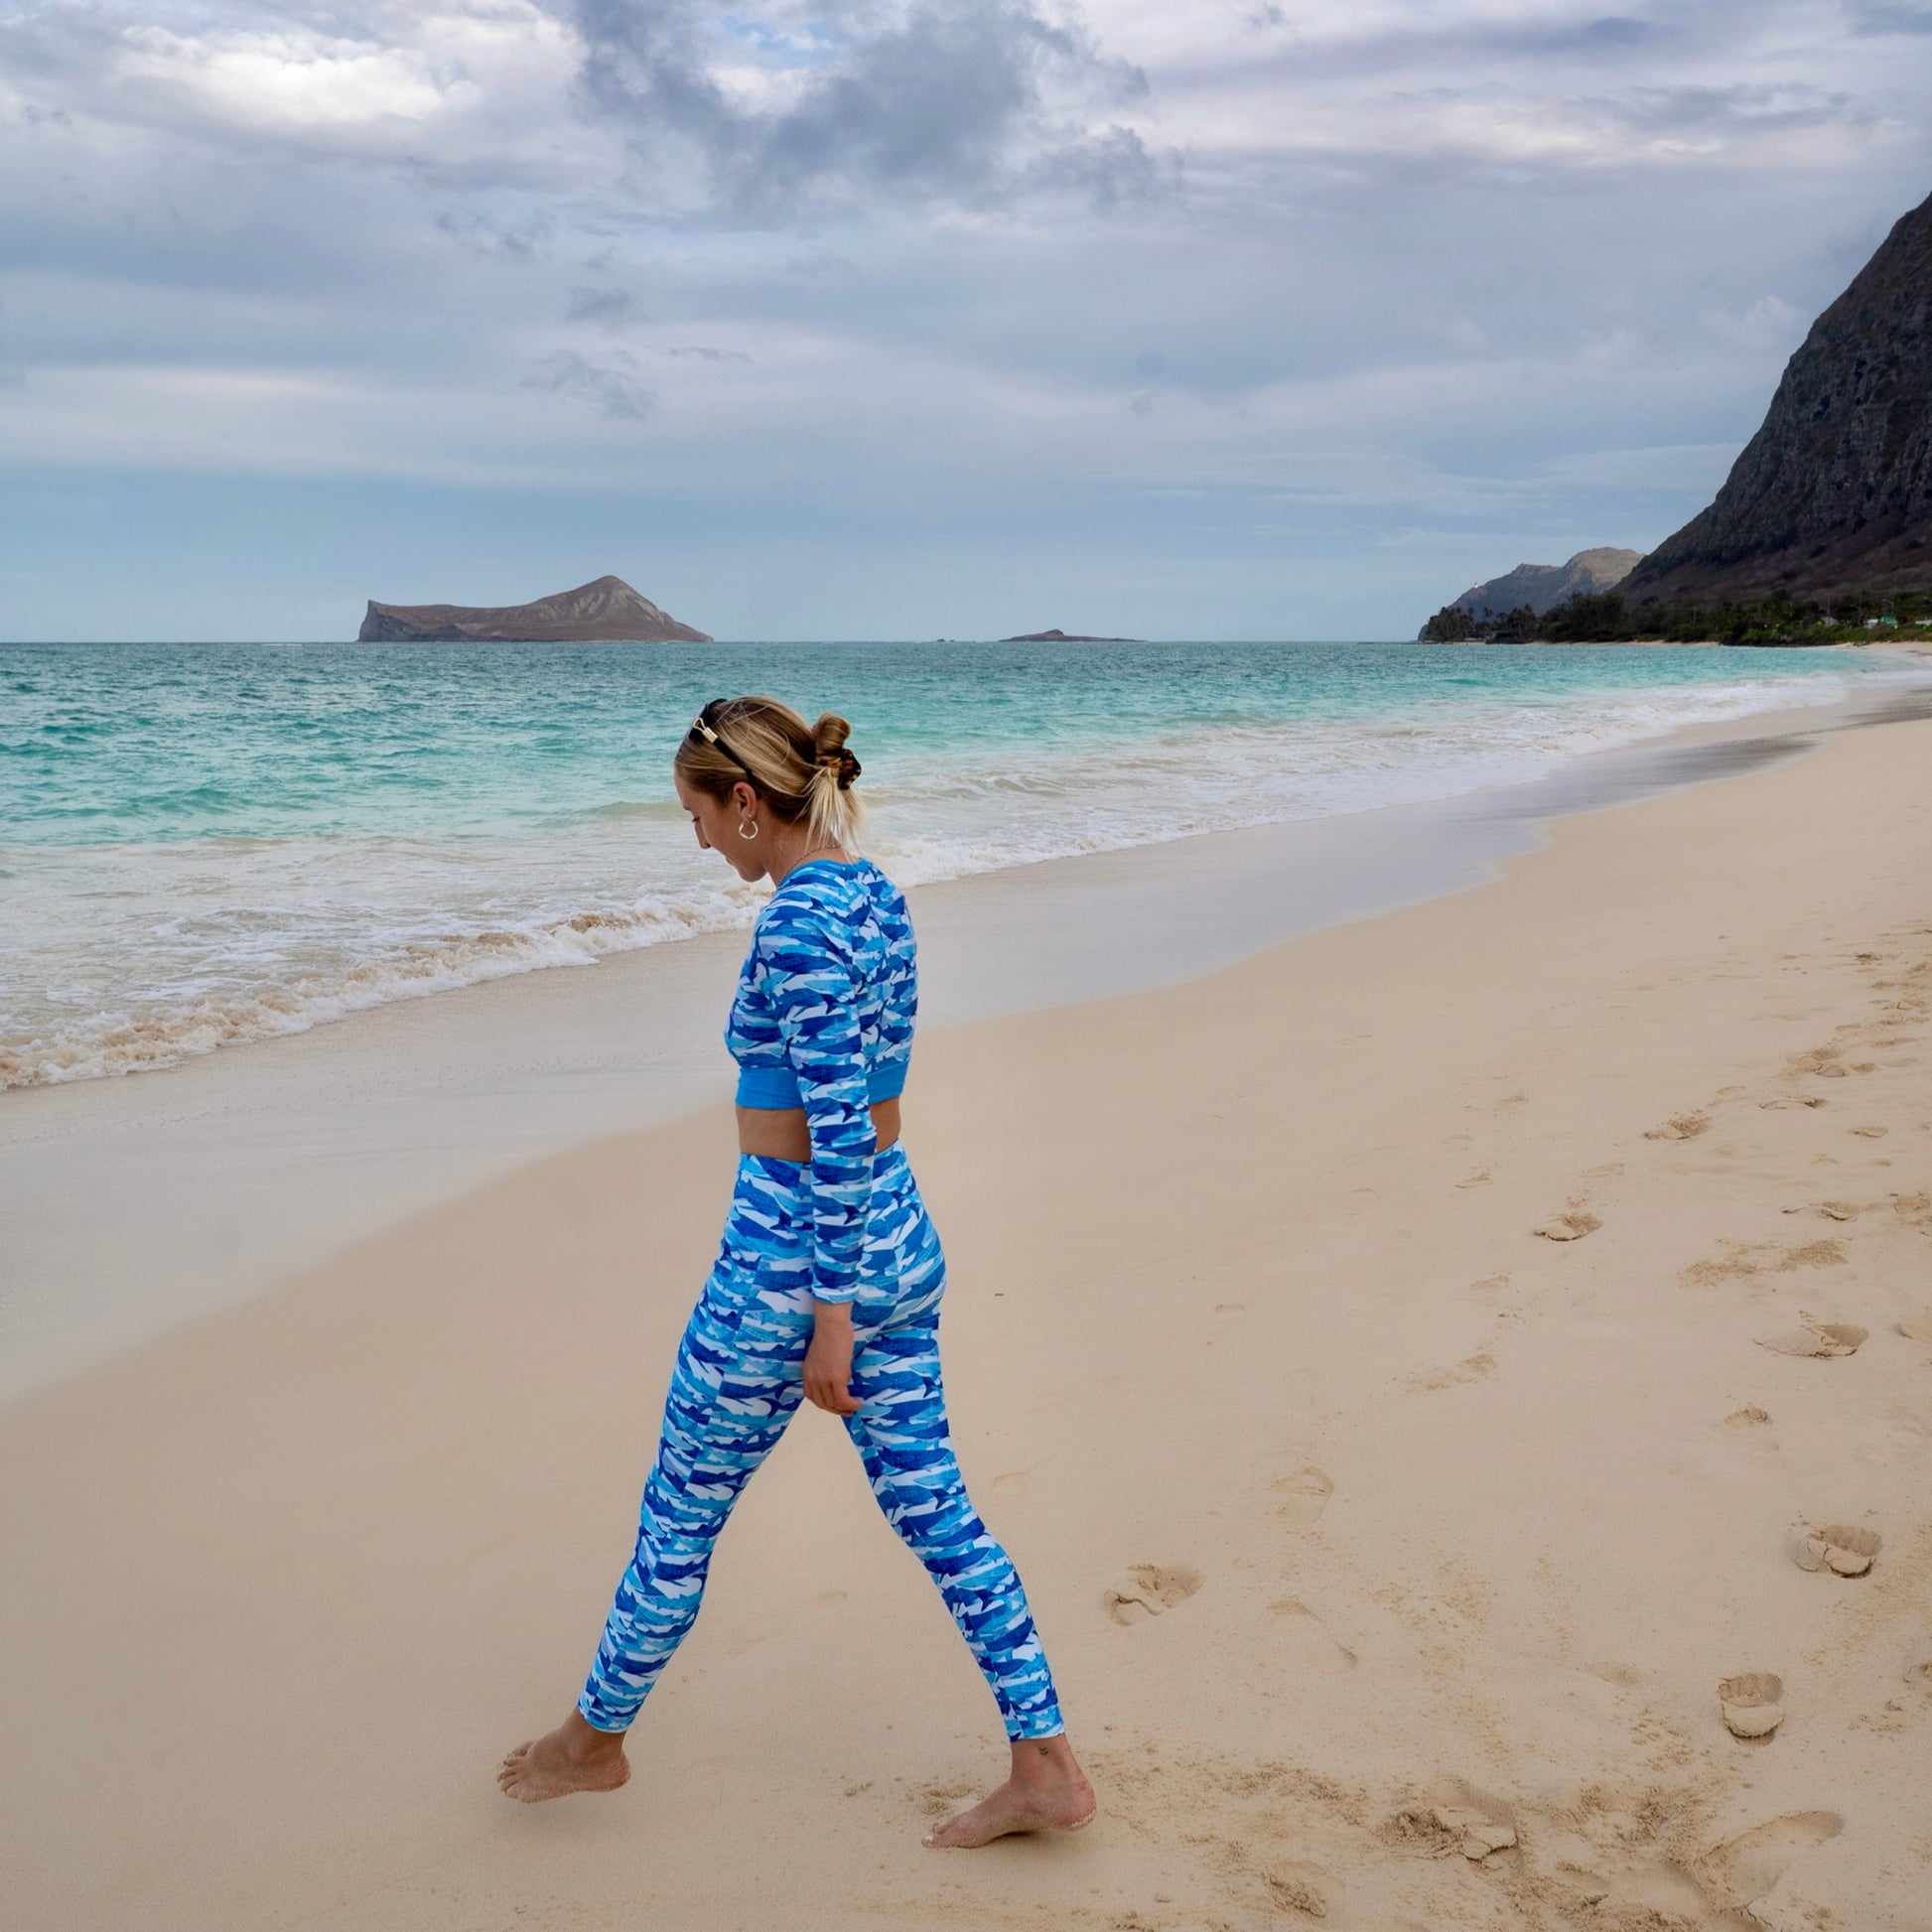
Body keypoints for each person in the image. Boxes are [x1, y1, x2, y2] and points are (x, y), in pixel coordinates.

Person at [498, 696, 1095, 1850]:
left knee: (679, 1511)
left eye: (698, 814)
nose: (699, 841)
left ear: (744, 799)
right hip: (899, 1234)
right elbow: (874, 1096)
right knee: (940, 1514)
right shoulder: (874, 893)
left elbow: (829, 1119)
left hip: (798, 1257)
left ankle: (593, 1740)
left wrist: (829, 1312)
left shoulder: (794, 927)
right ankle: (1045, 1764)